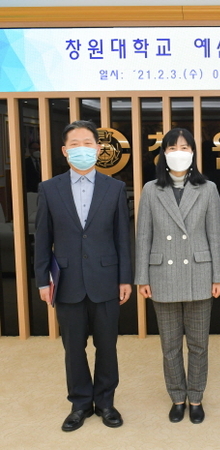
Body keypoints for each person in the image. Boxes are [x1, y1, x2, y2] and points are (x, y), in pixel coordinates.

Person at [34, 120, 132, 432]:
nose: (81, 149)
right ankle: (79, 403)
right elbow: (42, 238)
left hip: (106, 279)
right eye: (74, 144)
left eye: (87, 143)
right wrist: (42, 280)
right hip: (66, 282)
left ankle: (105, 402)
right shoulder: (49, 189)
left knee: (107, 346)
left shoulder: (115, 188)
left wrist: (125, 278)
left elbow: (122, 238)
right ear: (64, 151)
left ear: (98, 149)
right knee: (73, 348)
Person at [135, 128, 220, 424]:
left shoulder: (208, 188)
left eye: (184, 147)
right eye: (172, 147)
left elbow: (216, 235)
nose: (179, 152)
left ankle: (196, 397)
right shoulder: (151, 190)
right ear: (163, 153)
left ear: (193, 153)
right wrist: (142, 277)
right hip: (162, 274)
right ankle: (177, 397)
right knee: (170, 346)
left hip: (199, 273)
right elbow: (143, 236)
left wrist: (218, 277)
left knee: (199, 345)